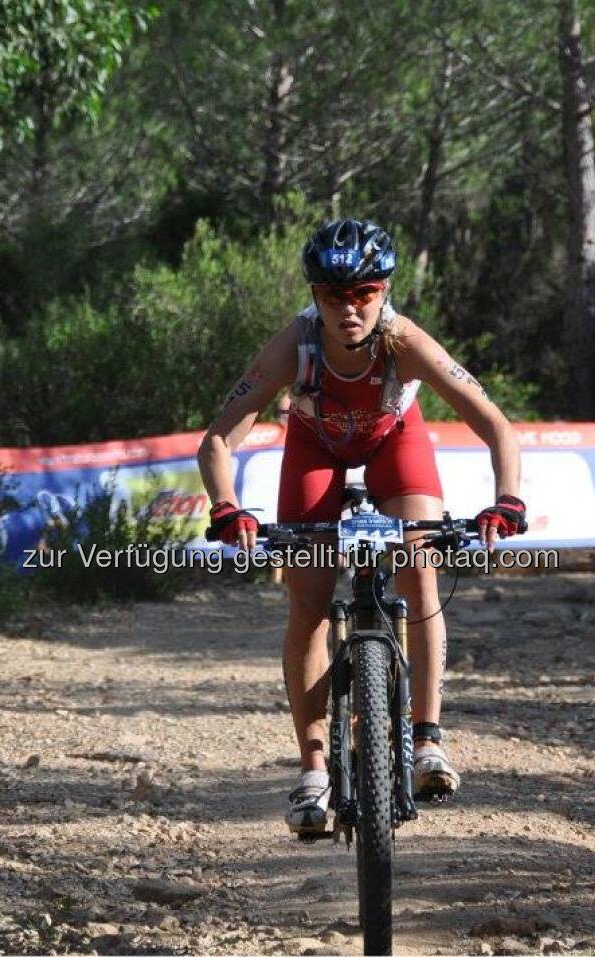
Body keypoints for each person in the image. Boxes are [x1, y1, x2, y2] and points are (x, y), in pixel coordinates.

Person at [196, 219, 528, 834]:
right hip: (315, 447)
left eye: (364, 295)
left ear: (385, 291)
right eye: (332, 296)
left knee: (421, 577)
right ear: (315, 296)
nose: (348, 310)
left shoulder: (405, 342)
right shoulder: (294, 345)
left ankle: (427, 739)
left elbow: (496, 424)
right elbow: (220, 435)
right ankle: (314, 771)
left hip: (392, 444)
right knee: (310, 607)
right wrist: (226, 504)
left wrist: (505, 498)